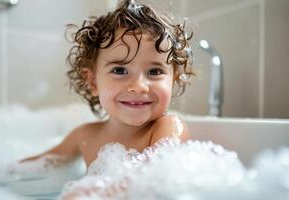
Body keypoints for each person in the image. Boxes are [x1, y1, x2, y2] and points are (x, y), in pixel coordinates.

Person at [22, 0, 194, 198]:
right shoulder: (84, 136)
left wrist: (93, 192)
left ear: (173, 79)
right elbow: (35, 166)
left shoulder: (167, 127)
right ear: (93, 82)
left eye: (154, 71)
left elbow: (153, 176)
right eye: (120, 70)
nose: (138, 86)